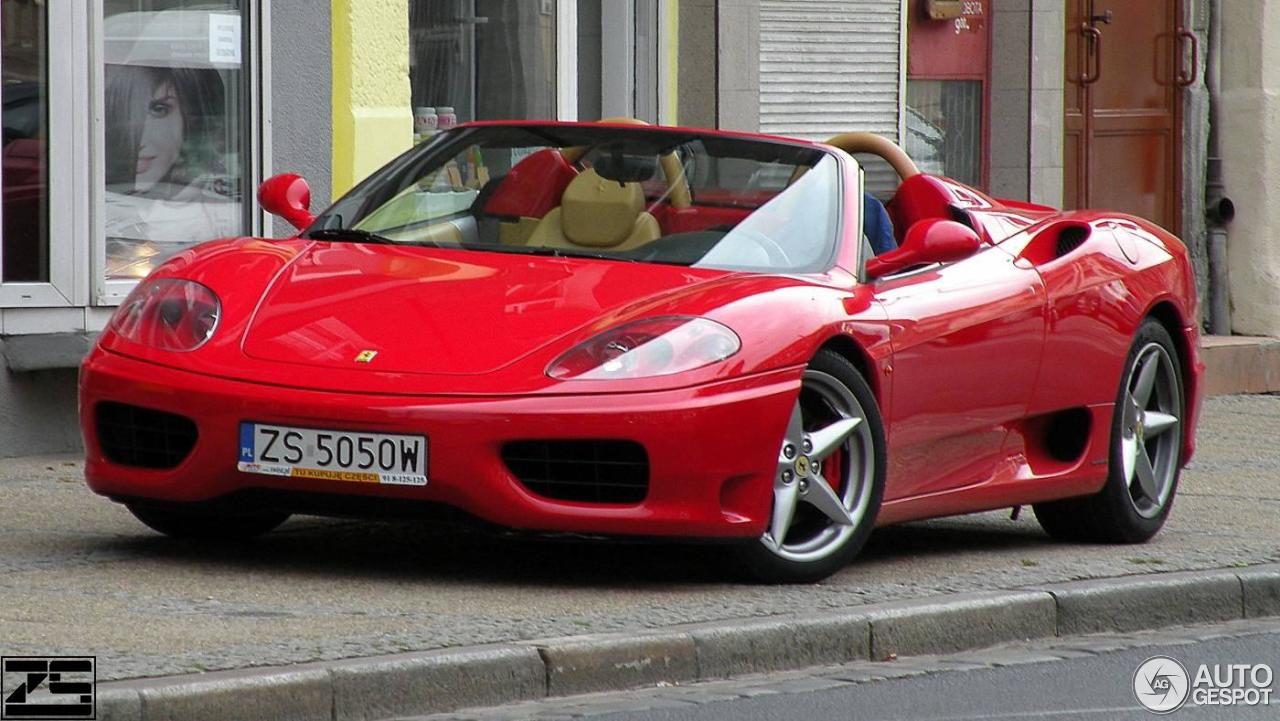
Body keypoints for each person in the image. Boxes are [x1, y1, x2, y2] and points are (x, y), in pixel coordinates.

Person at [103, 63, 240, 278]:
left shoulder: (224, 218)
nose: (138, 136)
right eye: (128, 111)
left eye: (158, 110)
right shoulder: (100, 210)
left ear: (195, 120)